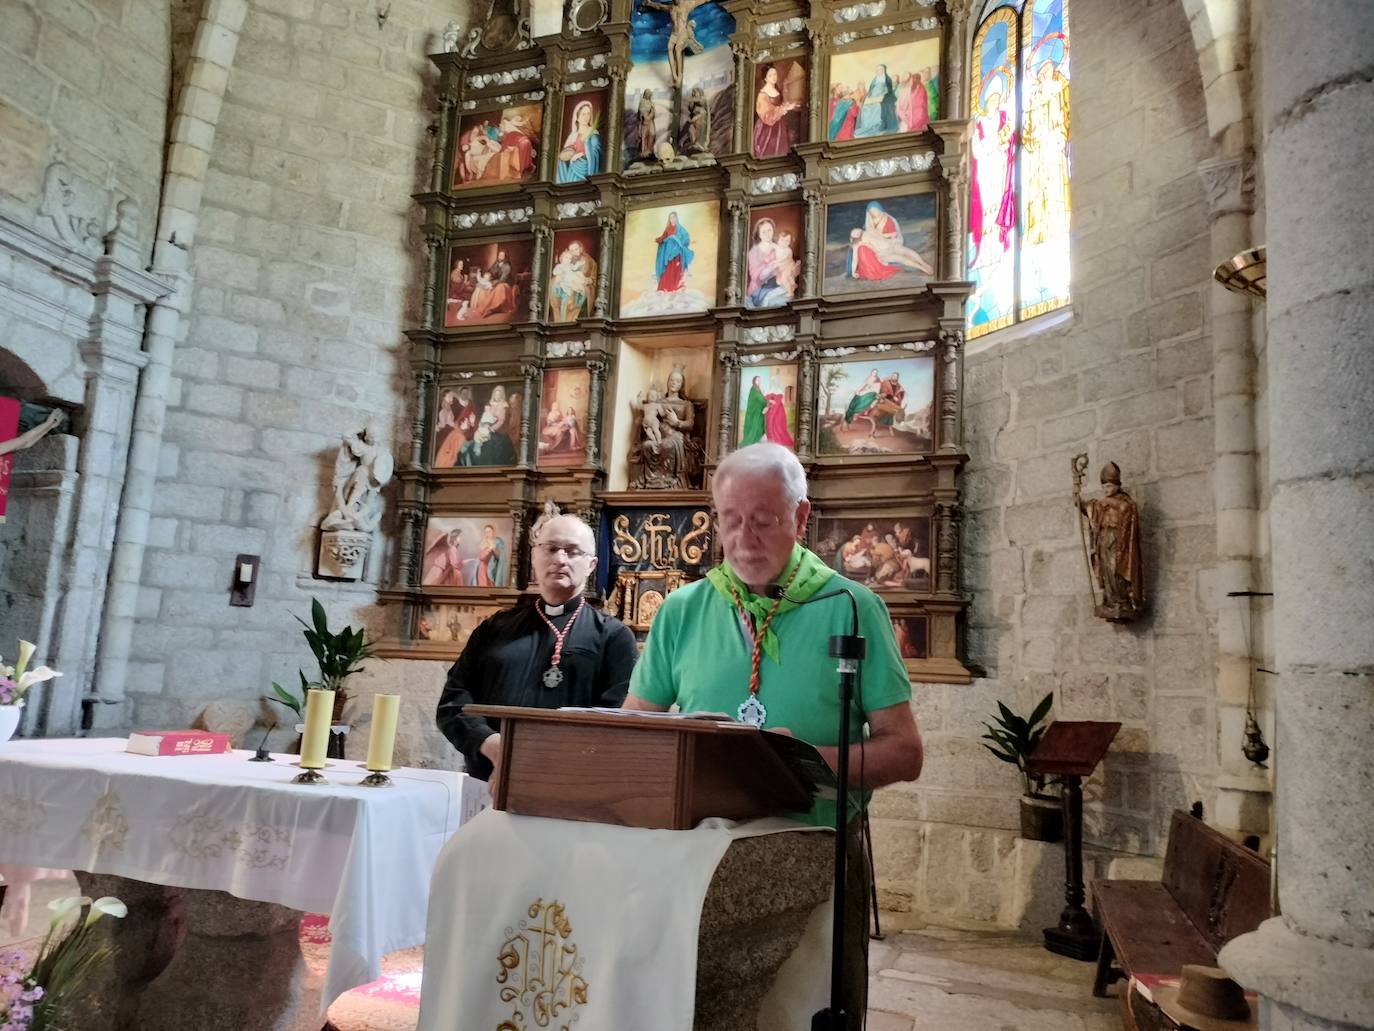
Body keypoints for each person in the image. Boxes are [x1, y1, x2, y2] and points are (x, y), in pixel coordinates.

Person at [624, 443, 923, 1028]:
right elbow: (637, 730)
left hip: (817, 846)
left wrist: (797, 759)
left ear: (801, 517)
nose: (744, 538)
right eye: (730, 520)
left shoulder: (852, 607)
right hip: (699, 857)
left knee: (800, 1012)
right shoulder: (683, 610)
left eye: (763, 520)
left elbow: (904, 751)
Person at [436, 512, 639, 783]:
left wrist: (540, 761)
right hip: (486, 780)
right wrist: (492, 745)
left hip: (570, 786)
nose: (559, 559)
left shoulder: (614, 638)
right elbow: (453, 703)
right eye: (551, 548)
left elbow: (616, 723)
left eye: (572, 551)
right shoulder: (494, 629)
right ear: (534, 557)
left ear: (591, 565)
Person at [1074, 461, 1144, 621]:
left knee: (1116, 571)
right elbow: (1088, 508)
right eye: (1104, 487)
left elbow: (1125, 510)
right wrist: (1077, 498)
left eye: (1110, 487)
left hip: (1120, 543)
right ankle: (1110, 600)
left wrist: (1107, 502)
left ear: (1118, 486)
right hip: (1104, 540)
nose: (1106, 490)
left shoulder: (1125, 502)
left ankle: (1122, 600)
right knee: (1106, 570)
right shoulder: (1100, 504)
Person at [847, 200, 935, 281]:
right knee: (901, 259)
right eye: (855, 232)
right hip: (883, 253)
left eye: (856, 229)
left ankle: (923, 264)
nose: (857, 230)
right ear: (854, 237)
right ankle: (922, 268)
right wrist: (853, 272)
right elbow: (855, 258)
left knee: (907, 252)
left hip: (890, 244)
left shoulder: (868, 230)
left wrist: (881, 236)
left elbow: (887, 236)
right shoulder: (858, 244)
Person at [753, 64, 799, 158]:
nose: (774, 77)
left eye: (775, 74)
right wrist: (782, 109)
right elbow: (766, 114)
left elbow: (781, 104)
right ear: (765, 78)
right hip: (768, 127)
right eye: (770, 75)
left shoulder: (776, 89)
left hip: (780, 124)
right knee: (770, 150)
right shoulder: (763, 94)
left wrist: (788, 106)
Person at [555, 99, 603, 183]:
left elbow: (597, 152)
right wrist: (567, 155)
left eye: (588, 114)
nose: (586, 117)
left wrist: (580, 155)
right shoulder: (573, 136)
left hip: (587, 169)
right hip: (572, 170)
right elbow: (565, 156)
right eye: (583, 114)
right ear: (577, 117)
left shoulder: (593, 133)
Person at [653, 211, 693, 293]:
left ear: (676, 218)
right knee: (668, 269)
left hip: (677, 252)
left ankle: (675, 287)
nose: (672, 219)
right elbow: (663, 237)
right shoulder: (667, 228)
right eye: (671, 217)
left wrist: (678, 240)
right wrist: (658, 239)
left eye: (674, 217)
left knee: (676, 268)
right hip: (668, 252)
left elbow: (686, 238)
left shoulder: (680, 228)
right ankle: (665, 287)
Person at [854, 63, 898, 137]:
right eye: (877, 70)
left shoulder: (887, 79)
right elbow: (871, 91)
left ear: (884, 70)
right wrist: (869, 97)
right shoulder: (874, 79)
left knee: (877, 107)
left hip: (883, 99)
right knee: (865, 108)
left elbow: (889, 92)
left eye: (880, 69)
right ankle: (867, 127)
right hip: (873, 99)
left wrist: (882, 97)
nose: (879, 71)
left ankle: (876, 127)